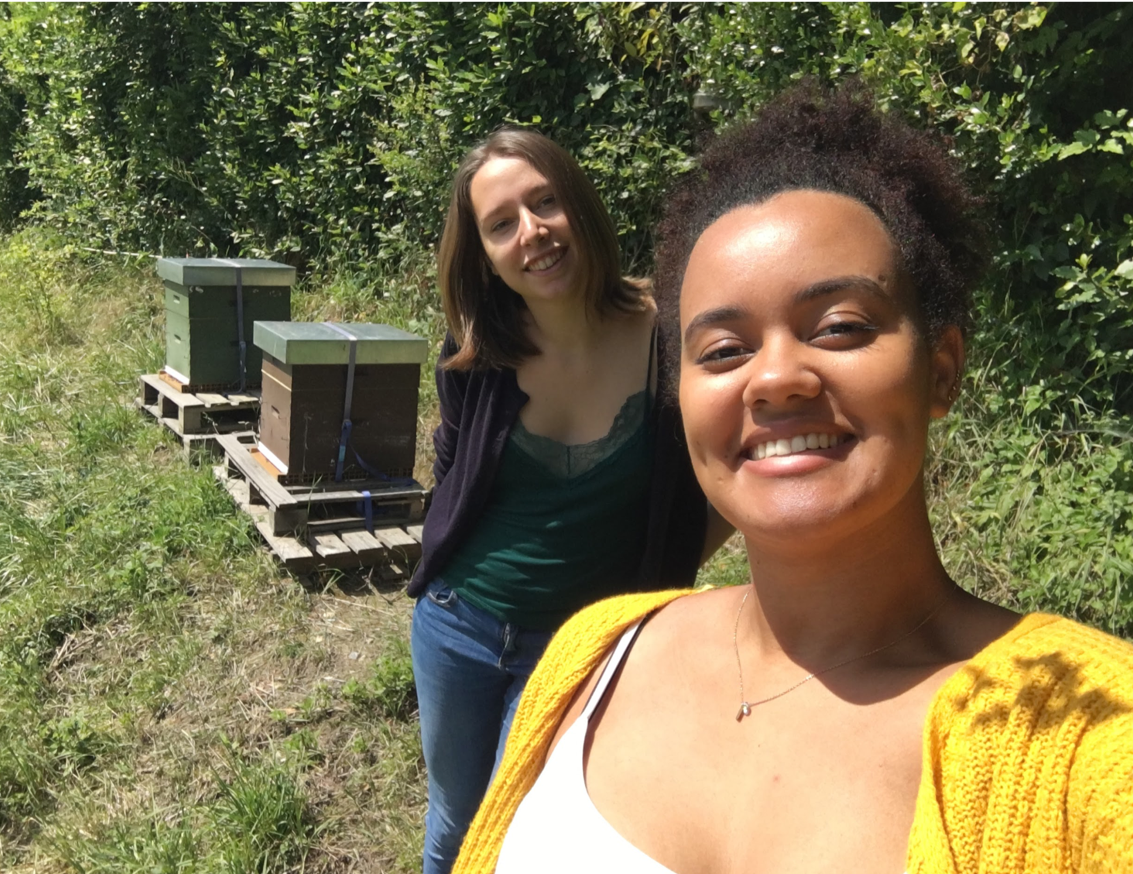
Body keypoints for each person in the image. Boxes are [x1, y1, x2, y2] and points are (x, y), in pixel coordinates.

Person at [453, 84, 1133, 874]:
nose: (775, 378)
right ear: (681, 398)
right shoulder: (596, 653)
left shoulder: (1088, 730)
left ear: (941, 369)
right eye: (722, 350)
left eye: (839, 327)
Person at [407, 127, 726, 874]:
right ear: (484, 253)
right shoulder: (477, 354)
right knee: (455, 820)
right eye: (501, 223)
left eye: (544, 202)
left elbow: (725, 481)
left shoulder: (670, 338)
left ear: (577, 205)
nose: (532, 232)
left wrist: (665, 564)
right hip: (458, 625)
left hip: (577, 642)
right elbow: (450, 474)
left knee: (520, 825)